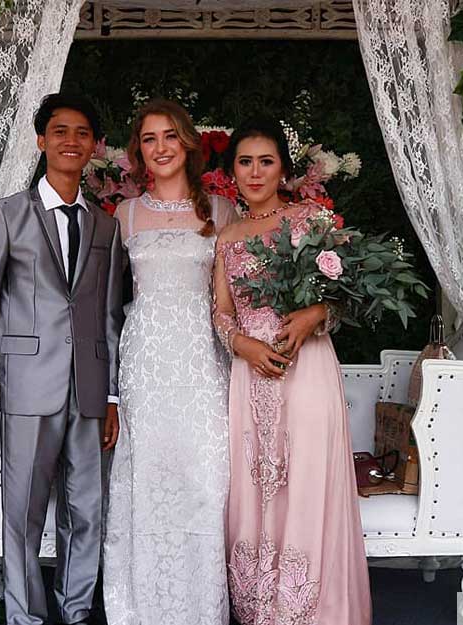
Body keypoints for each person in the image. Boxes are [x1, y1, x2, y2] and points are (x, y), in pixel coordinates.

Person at [0, 93, 124, 625]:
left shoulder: (106, 227)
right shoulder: (7, 214)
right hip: (29, 387)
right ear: (41, 140)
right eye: (60, 131)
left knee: (87, 509)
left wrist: (110, 394)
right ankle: (26, 616)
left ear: (94, 146)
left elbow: (108, 315)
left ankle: (76, 611)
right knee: (24, 512)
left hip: (89, 389)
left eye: (82, 133)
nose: (71, 141)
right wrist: (12, 371)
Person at [212, 118, 372, 625]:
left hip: (307, 371)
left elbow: (349, 296)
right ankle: (262, 610)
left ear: (283, 168)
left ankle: (312, 611)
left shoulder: (310, 220)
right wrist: (241, 345)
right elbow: (220, 313)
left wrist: (314, 315)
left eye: (266, 161)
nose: (255, 172)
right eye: (245, 162)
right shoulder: (227, 237)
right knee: (255, 484)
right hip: (250, 374)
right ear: (232, 171)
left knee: (306, 481)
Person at [102, 99, 239, 625]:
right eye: (149, 139)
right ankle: (141, 609)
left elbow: (235, 299)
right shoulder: (125, 214)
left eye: (169, 136)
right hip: (145, 363)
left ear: (188, 143)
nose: (160, 147)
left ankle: (201, 611)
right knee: (148, 478)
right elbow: (108, 302)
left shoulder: (220, 213)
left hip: (203, 362)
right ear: (138, 151)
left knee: (205, 480)